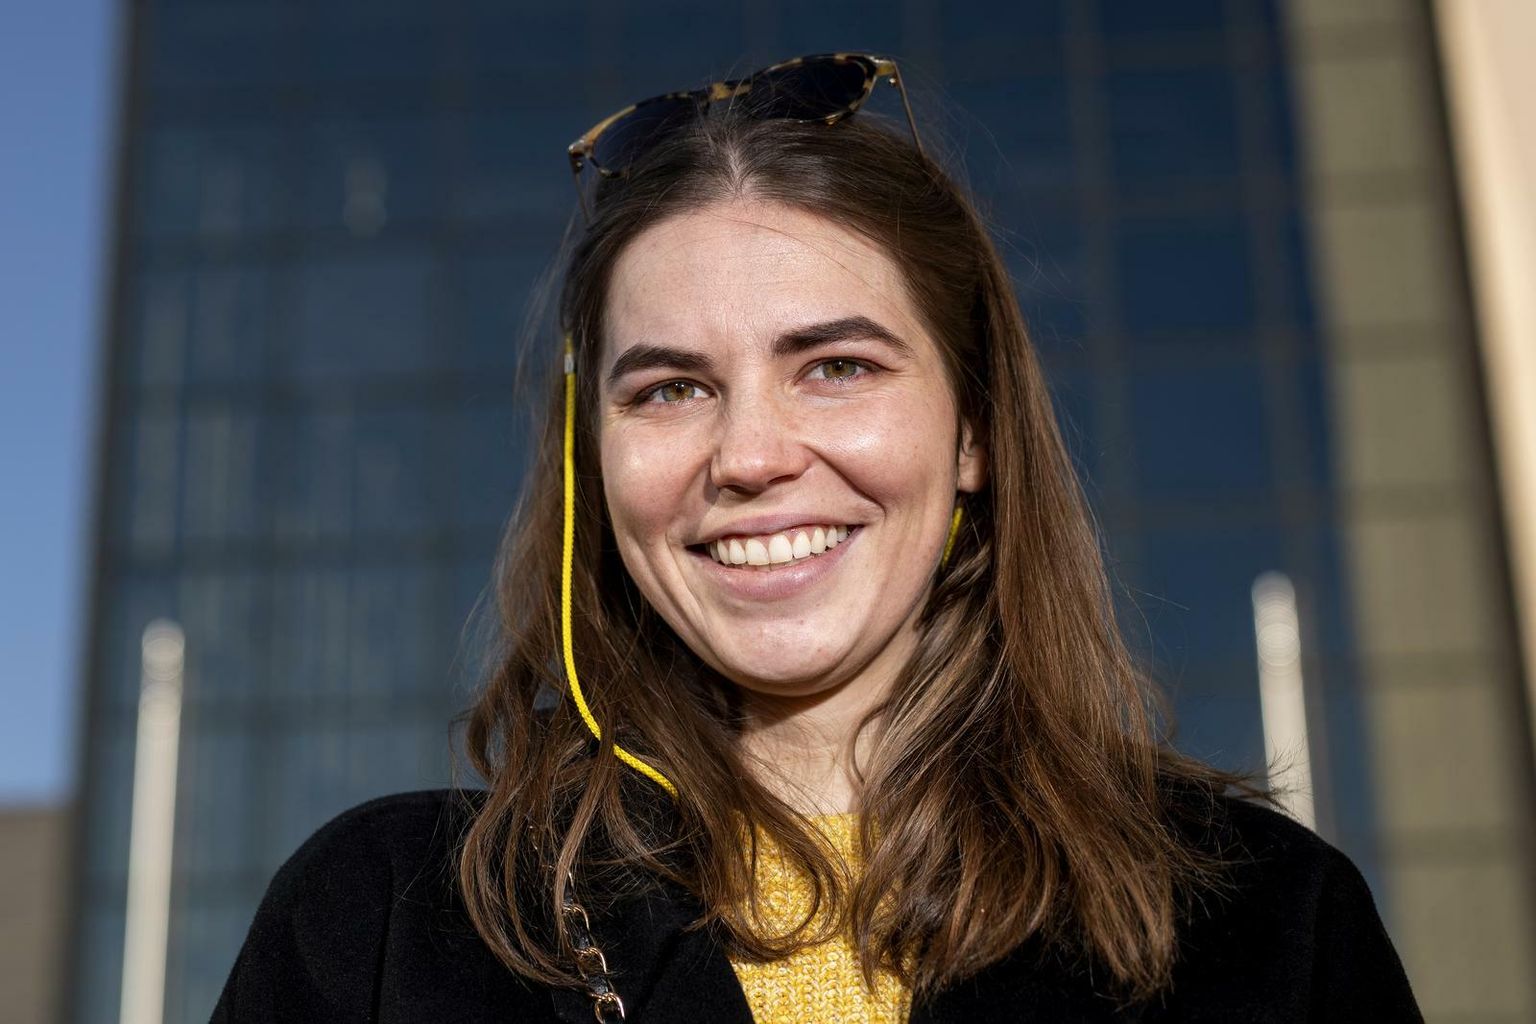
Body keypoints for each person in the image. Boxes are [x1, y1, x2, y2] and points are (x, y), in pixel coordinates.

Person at [212, 53, 1423, 1022]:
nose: (750, 454)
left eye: (837, 366)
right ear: (594, 460)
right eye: (670, 387)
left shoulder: (1267, 924)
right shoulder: (382, 925)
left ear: (975, 431)